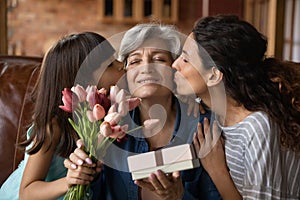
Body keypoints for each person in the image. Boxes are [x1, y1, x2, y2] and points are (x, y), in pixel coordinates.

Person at [64, 23, 221, 200]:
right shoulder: (108, 127)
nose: (146, 68)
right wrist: (81, 177)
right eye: (135, 61)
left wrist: (179, 197)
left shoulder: (203, 126)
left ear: (174, 69)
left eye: (159, 59)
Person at [172, 14, 300, 199]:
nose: (175, 65)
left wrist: (217, 171)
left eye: (185, 59)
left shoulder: (256, 128)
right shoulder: (215, 112)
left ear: (214, 76)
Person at [0, 31, 125, 199]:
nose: (121, 65)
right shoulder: (53, 126)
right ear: (83, 80)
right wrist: (69, 181)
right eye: (109, 64)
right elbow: (27, 192)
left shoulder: (105, 116)